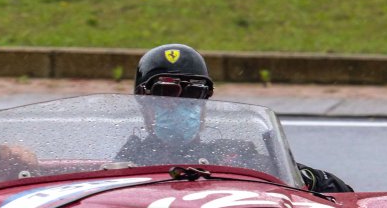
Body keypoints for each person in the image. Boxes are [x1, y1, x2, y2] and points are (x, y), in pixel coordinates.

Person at [125, 43, 354, 193]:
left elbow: (345, 194)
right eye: (166, 92)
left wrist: (301, 176)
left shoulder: (236, 155)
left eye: (195, 92)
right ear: (144, 104)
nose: (181, 103)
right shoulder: (125, 161)